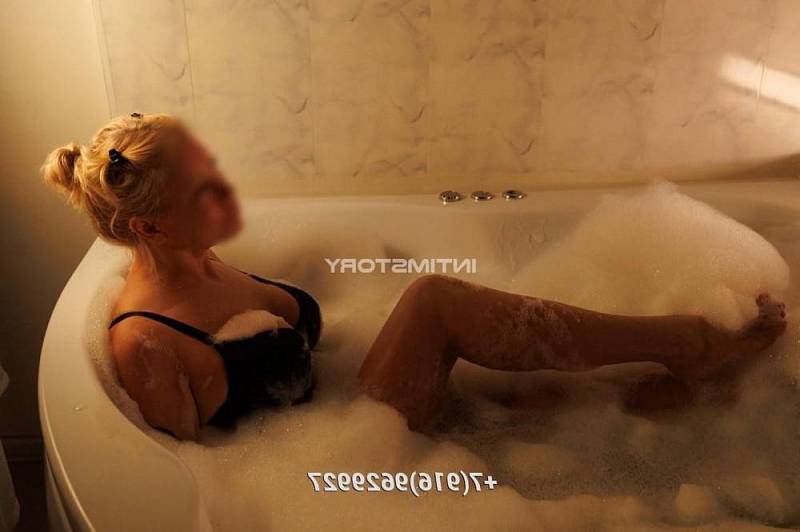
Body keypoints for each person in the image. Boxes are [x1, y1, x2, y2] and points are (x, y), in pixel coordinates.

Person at [41, 113, 787, 440]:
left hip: (355, 416)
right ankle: (687, 343)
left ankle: (702, 384)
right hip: (336, 464)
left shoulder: (200, 256)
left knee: (588, 405)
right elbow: (190, 474)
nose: (225, 194)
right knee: (434, 301)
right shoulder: (146, 341)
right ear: (148, 227)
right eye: (201, 191)